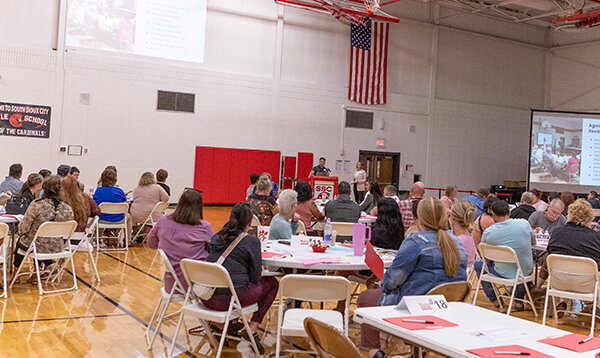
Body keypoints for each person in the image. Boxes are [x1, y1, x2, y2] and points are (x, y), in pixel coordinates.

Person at [357, 197, 467, 358]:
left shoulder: (415, 241)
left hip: (416, 305)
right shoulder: (457, 243)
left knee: (367, 297)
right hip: (447, 306)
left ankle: (377, 350)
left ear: (419, 218)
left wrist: (384, 284)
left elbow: (392, 280)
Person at [203, 203, 279, 354]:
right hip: (230, 301)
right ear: (250, 223)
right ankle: (252, 327)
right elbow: (255, 277)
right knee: (271, 283)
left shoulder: (215, 237)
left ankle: (225, 324)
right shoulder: (251, 241)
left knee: (233, 282)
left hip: (207, 297)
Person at [147, 188, 214, 293]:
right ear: (199, 207)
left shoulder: (164, 220)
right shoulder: (204, 227)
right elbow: (216, 251)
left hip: (171, 285)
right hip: (197, 285)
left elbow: (151, 244)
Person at [473, 200, 535, 310]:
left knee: (478, 264)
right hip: (525, 272)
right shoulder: (524, 224)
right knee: (521, 263)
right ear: (509, 212)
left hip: (503, 272)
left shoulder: (489, 232)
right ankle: (519, 301)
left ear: (493, 214)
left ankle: (496, 300)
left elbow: (485, 256)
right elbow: (533, 242)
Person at [14, 176, 74, 268]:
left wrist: (20, 232)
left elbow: (24, 228)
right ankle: (41, 270)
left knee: (24, 242)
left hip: (37, 245)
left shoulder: (37, 204)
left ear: (44, 188)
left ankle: (16, 275)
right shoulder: (67, 208)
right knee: (38, 240)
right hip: (57, 246)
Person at [548, 199, 600, 267]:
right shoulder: (596, 238)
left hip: (559, 275)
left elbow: (550, 254)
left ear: (569, 214)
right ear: (590, 217)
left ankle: (540, 278)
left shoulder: (557, 233)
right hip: (586, 276)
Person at [93, 168, 132, 235]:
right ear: (115, 180)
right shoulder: (119, 191)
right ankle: (127, 241)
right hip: (118, 219)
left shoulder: (98, 191)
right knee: (129, 217)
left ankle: (97, 238)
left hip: (102, 219)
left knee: (99, 215)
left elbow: (95, 204)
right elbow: (126, 205)